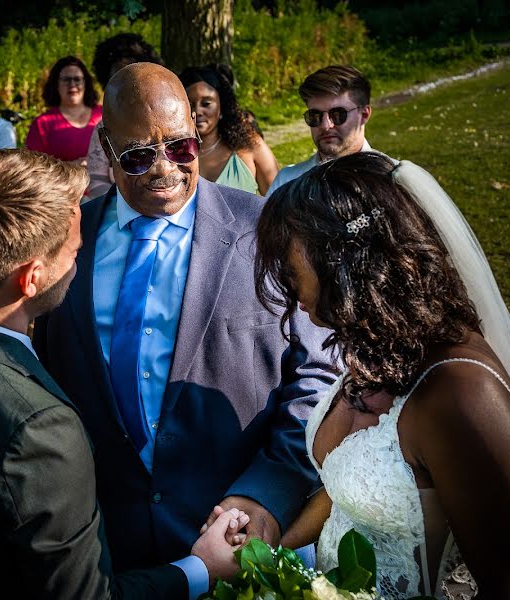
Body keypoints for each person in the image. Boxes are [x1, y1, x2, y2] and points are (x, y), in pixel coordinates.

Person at [0, 147, 246, 598]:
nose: (79, 263)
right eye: (75, 252)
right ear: (31, 277)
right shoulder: (40, 427)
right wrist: (200, 569)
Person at [32, 63, 338, 572]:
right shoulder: (65, 241)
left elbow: (319, 377)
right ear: (106, 149)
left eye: (179, 147)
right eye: (137, 155)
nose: (163, 169)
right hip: (107, 549)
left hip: (239, 539)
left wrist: (266, 496)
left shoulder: (265, 229)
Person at [260, 152, 510, 599]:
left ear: (347, 261)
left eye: (291, 254)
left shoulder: (462, 395)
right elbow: (345, 488)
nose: (285, 277)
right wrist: (277, 557)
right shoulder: (377, 349)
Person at [267, 65, 374, 197]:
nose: (325, 125)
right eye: (315, 116)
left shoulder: (393, 179)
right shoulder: (286, 183)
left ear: (364, 115)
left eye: (338, 114)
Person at [179, 64, 279, 195]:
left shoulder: (250, 145)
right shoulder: (170, 154)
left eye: (206, 104)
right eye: (190, 104)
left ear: (222, 107)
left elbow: (280, 205)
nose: (197, 111)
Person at [86, 33, 163, 199]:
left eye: (133, 79)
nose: (126, 86)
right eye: (117, 79)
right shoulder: (103, 127)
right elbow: (96, 181)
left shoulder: (167, 120)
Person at [26, 56, 103, 166]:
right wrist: (72, 167)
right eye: (66, 80)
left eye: (77, 79)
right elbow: (32, 167)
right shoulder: (42, 123)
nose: (72, 84)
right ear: (56, 85)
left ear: (86, 83)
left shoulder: (104, 114)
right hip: (64, 183)